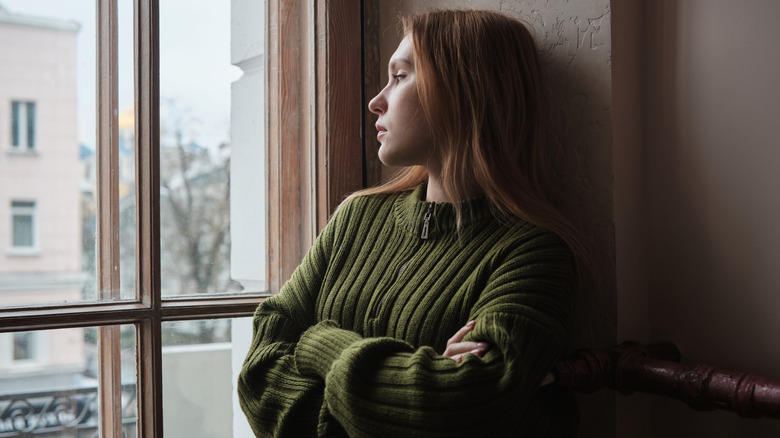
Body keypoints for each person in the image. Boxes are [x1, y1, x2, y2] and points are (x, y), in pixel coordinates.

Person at [238, 9, 589, 437]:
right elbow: (258, 370)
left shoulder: (533, 254)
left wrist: (319, 342)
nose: (376, 101)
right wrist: (403, 393)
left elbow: (461, 408)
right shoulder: (356, 218)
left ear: (462, 92)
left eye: (400, 76)